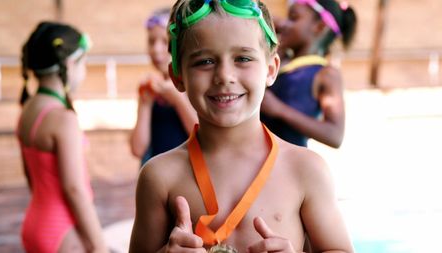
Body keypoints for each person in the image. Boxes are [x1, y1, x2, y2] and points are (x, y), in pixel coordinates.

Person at [129, 0, 353, 252]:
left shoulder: (306, 169)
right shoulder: (159, 176)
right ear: (178, 76)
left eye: (243, 58)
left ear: (270, 69)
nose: (224, 75)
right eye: (204, 62)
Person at [16, 21, 108, 253]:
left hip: (35, 224)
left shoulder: (28, 110)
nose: (84, 71)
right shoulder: (63, 119)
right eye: (84, 63)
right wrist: (98, 245)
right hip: (62, 230)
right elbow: (74, 188)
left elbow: (31, 178)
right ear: (69, 63)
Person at [261, 0, 357, 148]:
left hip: (289, 164)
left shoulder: (326, 74)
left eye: (293, 18)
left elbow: (334, 135)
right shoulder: (282, 60)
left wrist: (280, 110)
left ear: (320, 26)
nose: (285, 24)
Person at [129, 7, 197, 165]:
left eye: (165, 42)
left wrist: (178, 100)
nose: (156, 49)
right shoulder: (150, 89)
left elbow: (203, 138)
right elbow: (137, 149)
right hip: (157, 178)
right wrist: (145, 104)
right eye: (151, 41)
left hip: (186, 177)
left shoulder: (193, 85)